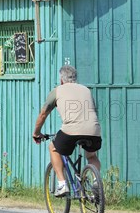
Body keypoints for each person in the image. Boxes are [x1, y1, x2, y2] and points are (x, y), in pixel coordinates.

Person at [32, 65, 101, 196]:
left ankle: (62, 184)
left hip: (71, 130)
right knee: (92, 156)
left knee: (53, 148)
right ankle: (97, 183)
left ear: (61, 80)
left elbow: (43, 114)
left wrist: (36, 133)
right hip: (93, 129)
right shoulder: (86, 90)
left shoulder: (57, 90)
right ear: (75, 79)